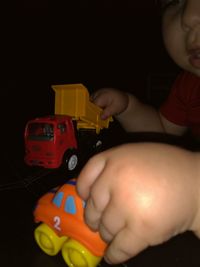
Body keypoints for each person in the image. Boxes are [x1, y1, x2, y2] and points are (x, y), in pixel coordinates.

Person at [76, 0, 200, 265]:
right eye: (175, 2)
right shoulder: (189, 86)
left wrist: (193, 189)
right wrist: (128, 108)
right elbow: (163, 132)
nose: (189, 16)